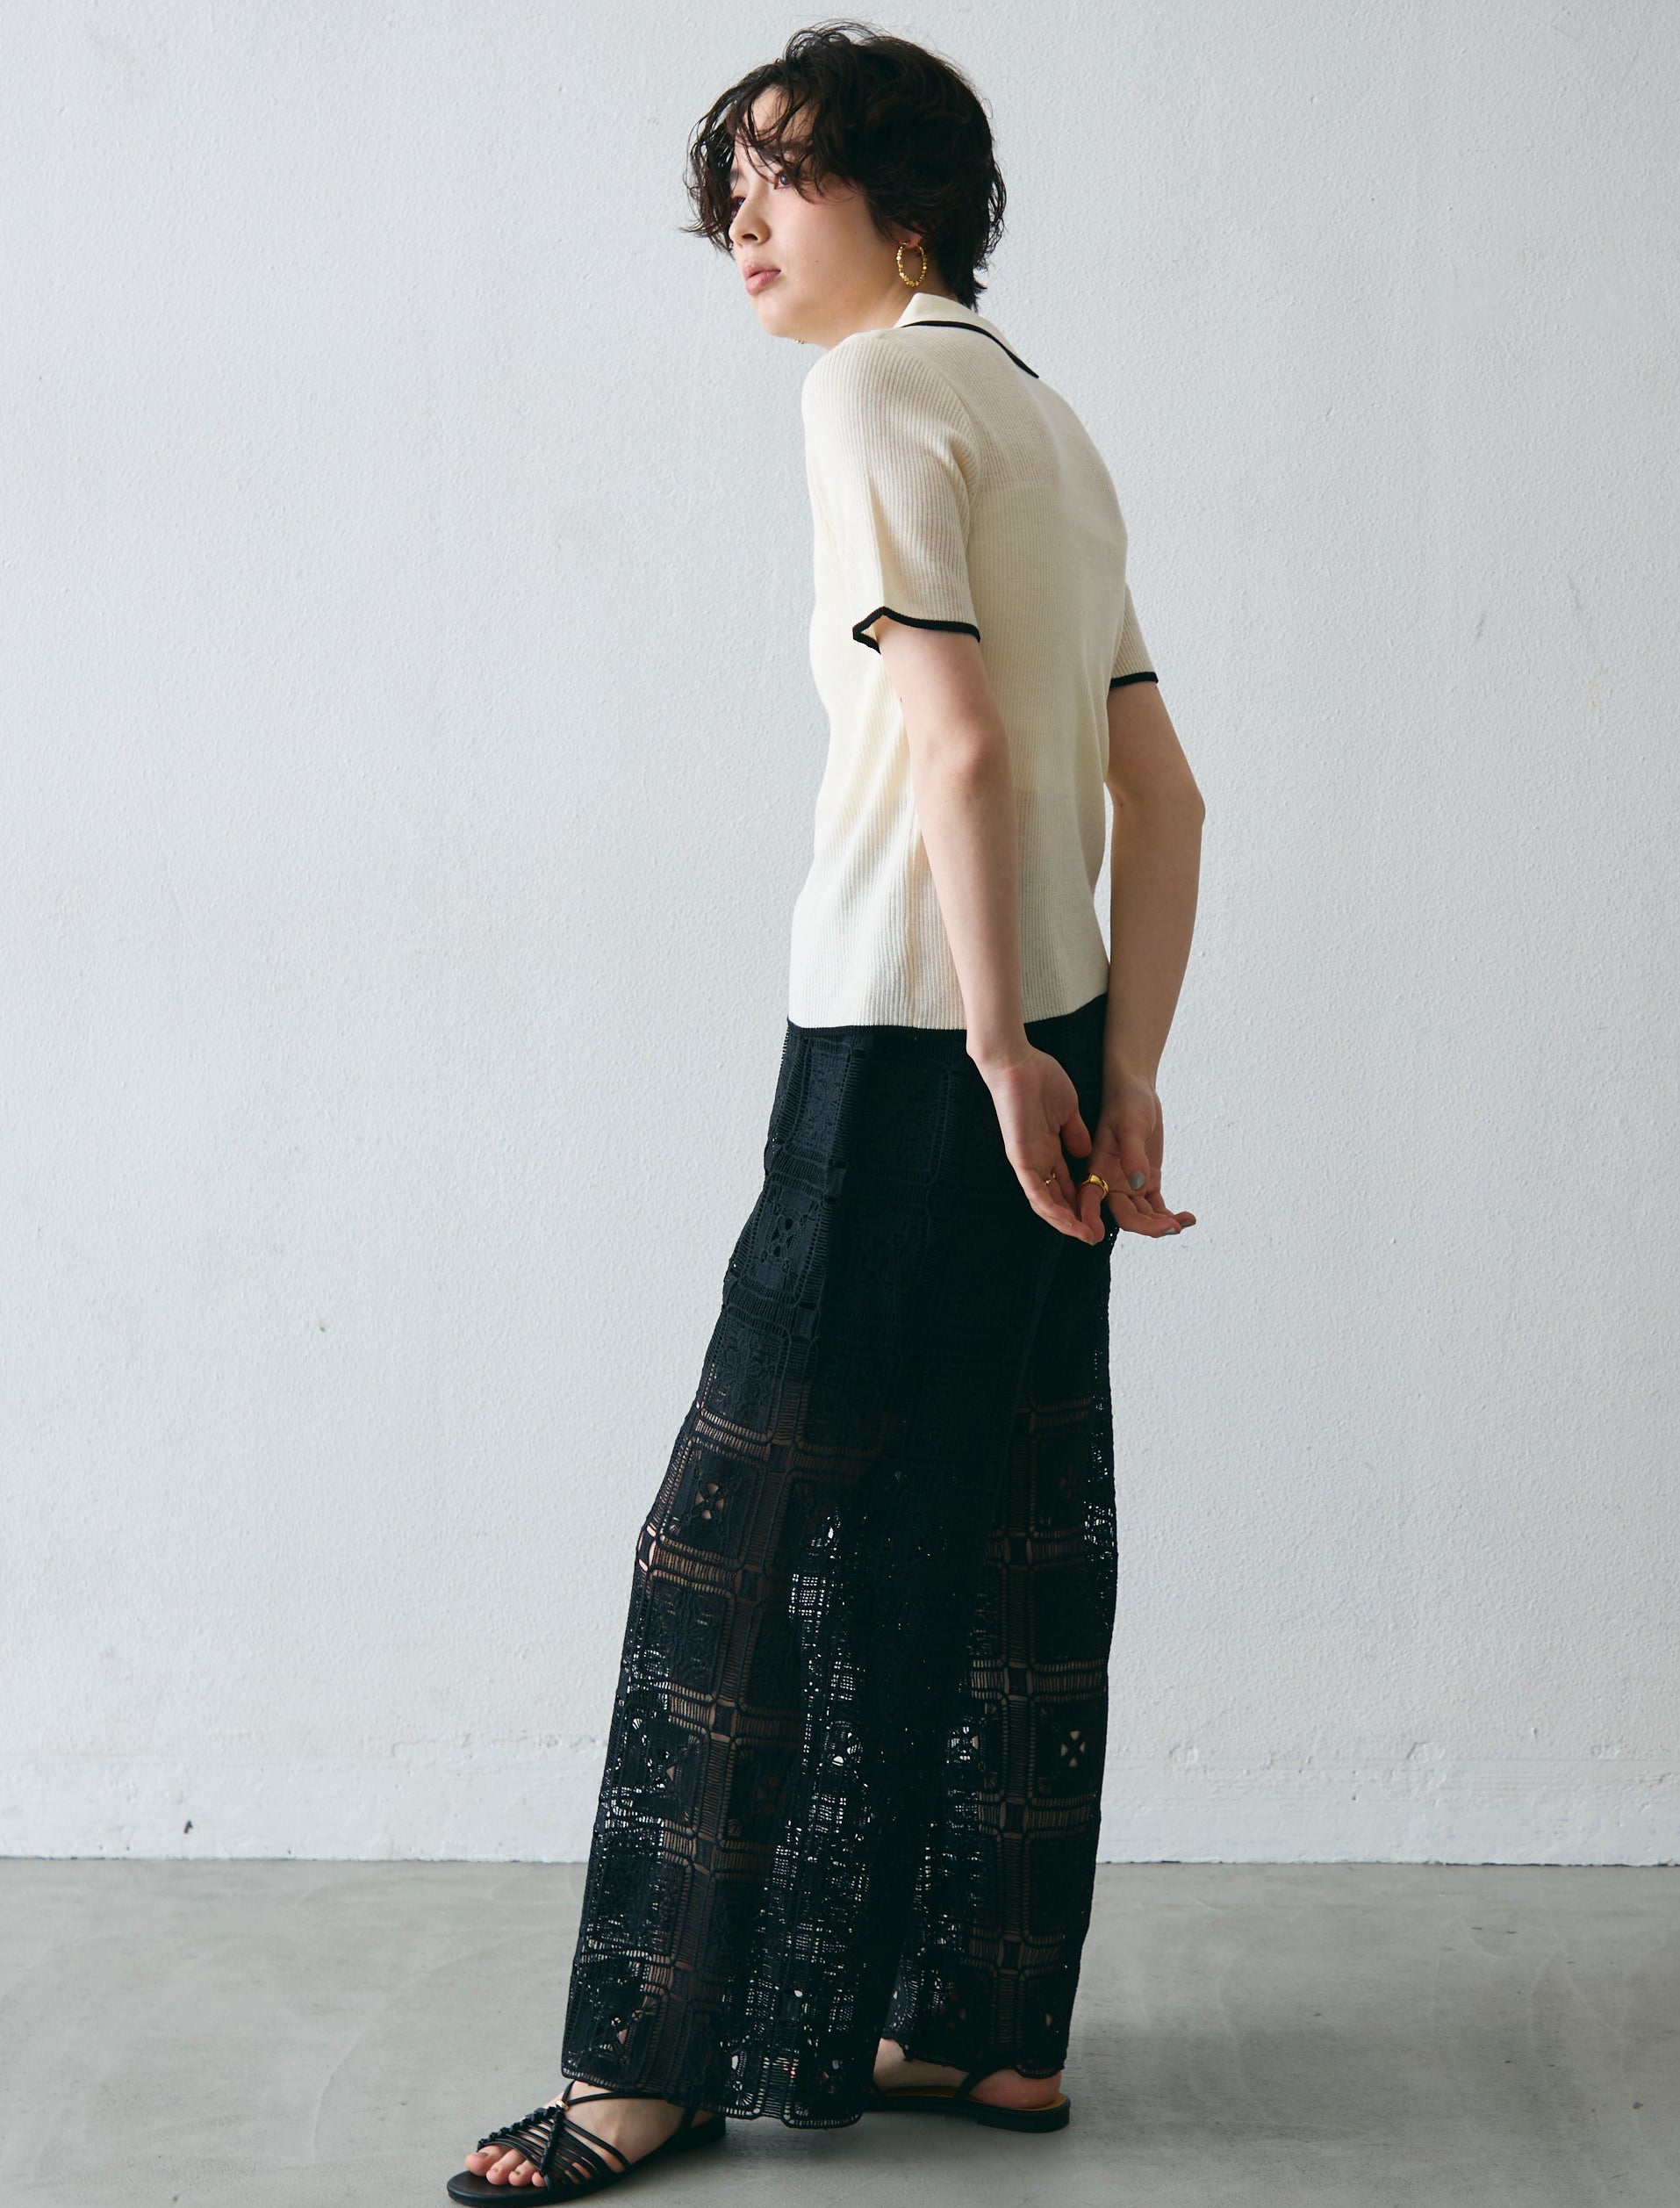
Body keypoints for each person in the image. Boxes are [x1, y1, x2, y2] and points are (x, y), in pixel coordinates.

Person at [448, 22, 1203, 2199]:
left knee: (740, 1542)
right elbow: (1161, 791)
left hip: (905, 1039)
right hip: (1051, 1015)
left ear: (913, 204)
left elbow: (956, 744)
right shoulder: (1041, 418)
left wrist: (984, 1048)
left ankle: (644, 2066)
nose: (744, 224)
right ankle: (979, 2025)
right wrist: (1112, 1060)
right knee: (996, 1512)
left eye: (788, 178)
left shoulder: (869, 394)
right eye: (734, 184)